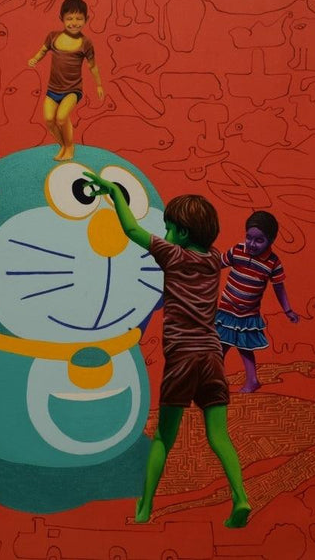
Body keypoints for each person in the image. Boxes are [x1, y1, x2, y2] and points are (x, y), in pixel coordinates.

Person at [83, 171, 250, 528]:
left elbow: (131, 230)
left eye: (169, 228)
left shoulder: (173, 255)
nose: (166, 234)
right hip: (211, 356)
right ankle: (241, 497)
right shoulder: (213, 260)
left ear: (183, 233)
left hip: (183, 358)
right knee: (219, 434)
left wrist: (113, 193)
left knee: (163, 437)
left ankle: (145, 507)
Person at [216, 211, 300, 393]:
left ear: (271, 240)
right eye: (249, 237)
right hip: (227, 310)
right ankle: (216, 380)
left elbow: (279, 288)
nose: (252, 244)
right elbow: (217, 263)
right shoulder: (237, 250)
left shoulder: (273, 263)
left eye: (259, 240)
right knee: (220, 345)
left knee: (244, 347)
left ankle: (252, 380)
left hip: (247, 315)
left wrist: (287, 310)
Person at [28, 0, 104, 161]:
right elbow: (43, 50)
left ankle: (69, 147)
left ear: (86, 19)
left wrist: (99, 85)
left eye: (79, 19)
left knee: (61, 118)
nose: (74, 23)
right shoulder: (53, 37)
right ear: (61, 18)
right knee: (49, 120)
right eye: (69, 18)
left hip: (72, 89)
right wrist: (35, 58)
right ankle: (63, 145)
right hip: (53, 89)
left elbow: (92, 66)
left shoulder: (85, 43)